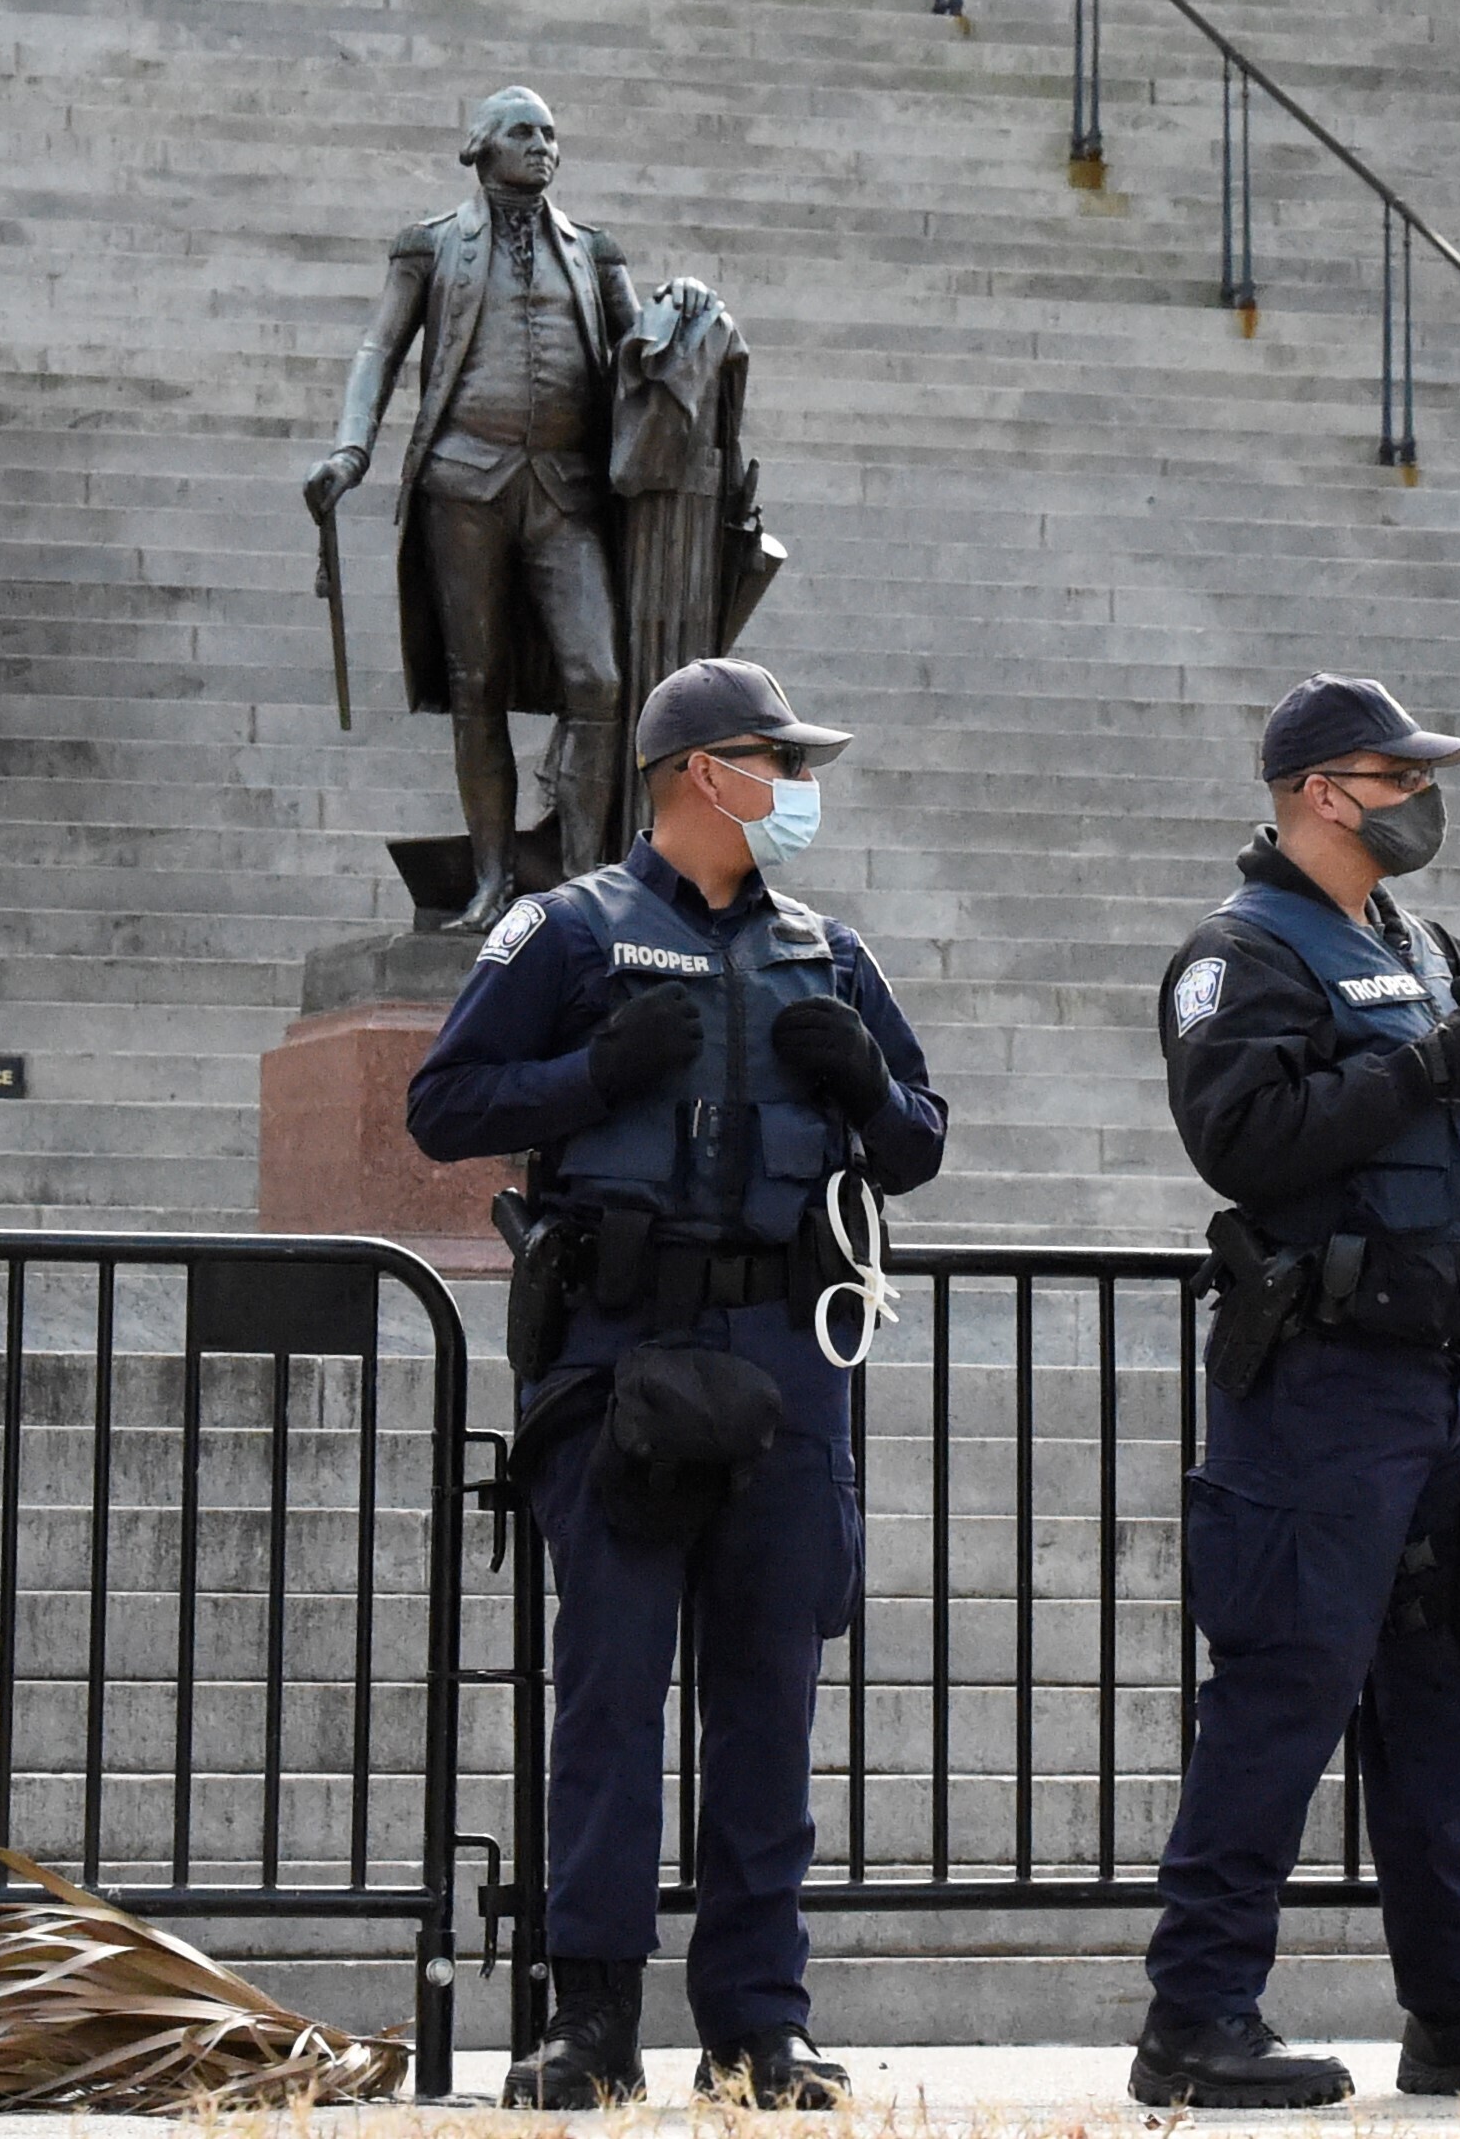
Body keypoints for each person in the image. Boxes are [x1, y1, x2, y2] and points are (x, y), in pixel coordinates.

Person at [408, 657, 946, 2109]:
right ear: (705, 772)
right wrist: (591, 1074)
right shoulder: (566, 930)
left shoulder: (828, 952)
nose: (800, 788)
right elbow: (442, 1103)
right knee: (611, 1694)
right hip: (621, 1359)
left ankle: (758, 2024)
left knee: (769, 1702)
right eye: (781, 761)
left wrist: (865, 1086)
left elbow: (918, 1138)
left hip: (784, 1359)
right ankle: (590, 2019)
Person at [1129, 675, 1460, 2111]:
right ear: (1316, 791)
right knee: (1281, 1694)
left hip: (1435, 1379)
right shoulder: (1241, 952)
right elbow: (1241, 1137)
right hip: (1319, 1384)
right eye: (1393, 773)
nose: (1418, 795)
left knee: (1434, 1703)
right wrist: (1425, 1069)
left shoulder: (1418, 944)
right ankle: (1194, 2017)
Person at [307, 86, 720, 929]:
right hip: (463, 484)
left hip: (564, 489)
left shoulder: (593, 250)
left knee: (599, 679)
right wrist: (351, 449)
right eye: (524, 132)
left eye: (551, 134)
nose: (543, 146)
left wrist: (678, 306)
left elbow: (642, 355)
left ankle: (587, 882)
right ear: (480, 147)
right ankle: (492, 879)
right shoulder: (430, 244)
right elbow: (379, 347)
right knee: (477, 686)